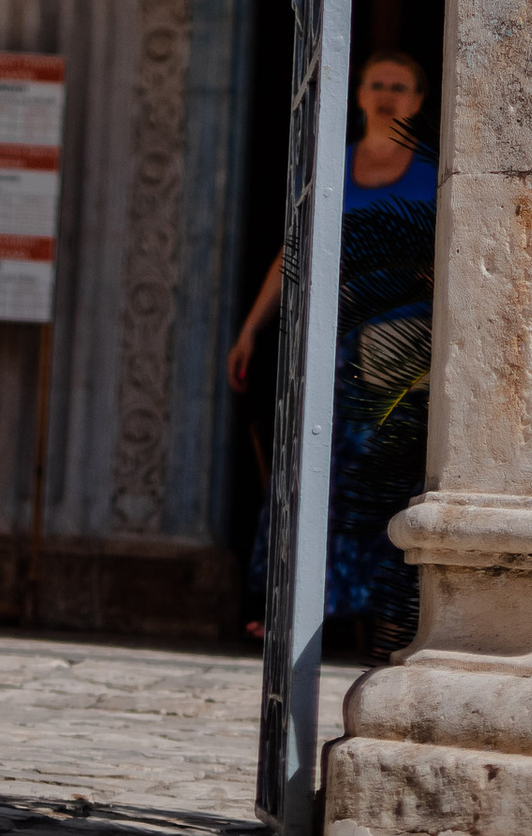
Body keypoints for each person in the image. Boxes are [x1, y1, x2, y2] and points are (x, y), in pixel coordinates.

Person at [227, 50, 437, 663]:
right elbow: (294, 250)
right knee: (313, 468)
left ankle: (388, 618)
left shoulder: (434, 169)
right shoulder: (332, 166)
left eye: (400, 87)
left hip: (404, 355)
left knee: (383, 481)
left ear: (420, 101)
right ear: (360, 93)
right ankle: (293, 609)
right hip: (335, 348)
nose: (386, 95)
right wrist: (250, 330)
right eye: (377, 84)